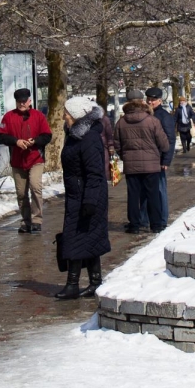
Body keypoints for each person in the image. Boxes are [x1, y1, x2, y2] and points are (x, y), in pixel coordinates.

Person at [56, 96, 111, 300]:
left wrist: (89, 200)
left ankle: (73, 284)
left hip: (87, 195)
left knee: (76, 238)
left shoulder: (88, 138)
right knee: (88, 238)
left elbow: (95, 173)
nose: (63, 115)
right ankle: (94, 282)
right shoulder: (75, 135)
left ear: (76, 116)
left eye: (67, 113)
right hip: (77, 194)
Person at [0, 88, 52, 234]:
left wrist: (34, 141)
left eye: (24, 101)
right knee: (21, 193)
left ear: (30, 101)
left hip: (35, 158)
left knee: (35, 187)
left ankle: (37, 220)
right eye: (19, 102)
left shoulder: (39, 116)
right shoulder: (8, 117)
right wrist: (16, 141)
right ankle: (26, 221)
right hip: (17, 160)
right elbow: (2, 136)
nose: (22, 104)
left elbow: (47, 136)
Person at [115, 92, 170, 233]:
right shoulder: (152, 121)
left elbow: (117, 144)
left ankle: (134, 225)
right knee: (153, 195)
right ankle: (156, 224)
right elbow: (164, 144)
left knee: (133, 195)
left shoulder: (121, 122)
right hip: (151, 165)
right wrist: (159, 154)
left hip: (131, 165)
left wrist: (125, 156)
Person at [147, 87, 176, 230]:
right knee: (147, 191)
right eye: (149, 99)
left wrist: (166, 160)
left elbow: (170, 139)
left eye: (153, 100)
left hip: (158, 159)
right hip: (148, 158)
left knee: (159, 189)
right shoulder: (147, 114)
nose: (150, 102)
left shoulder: (164, 116)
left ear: (159, 100)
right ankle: (145, 219)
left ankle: (163, 219)